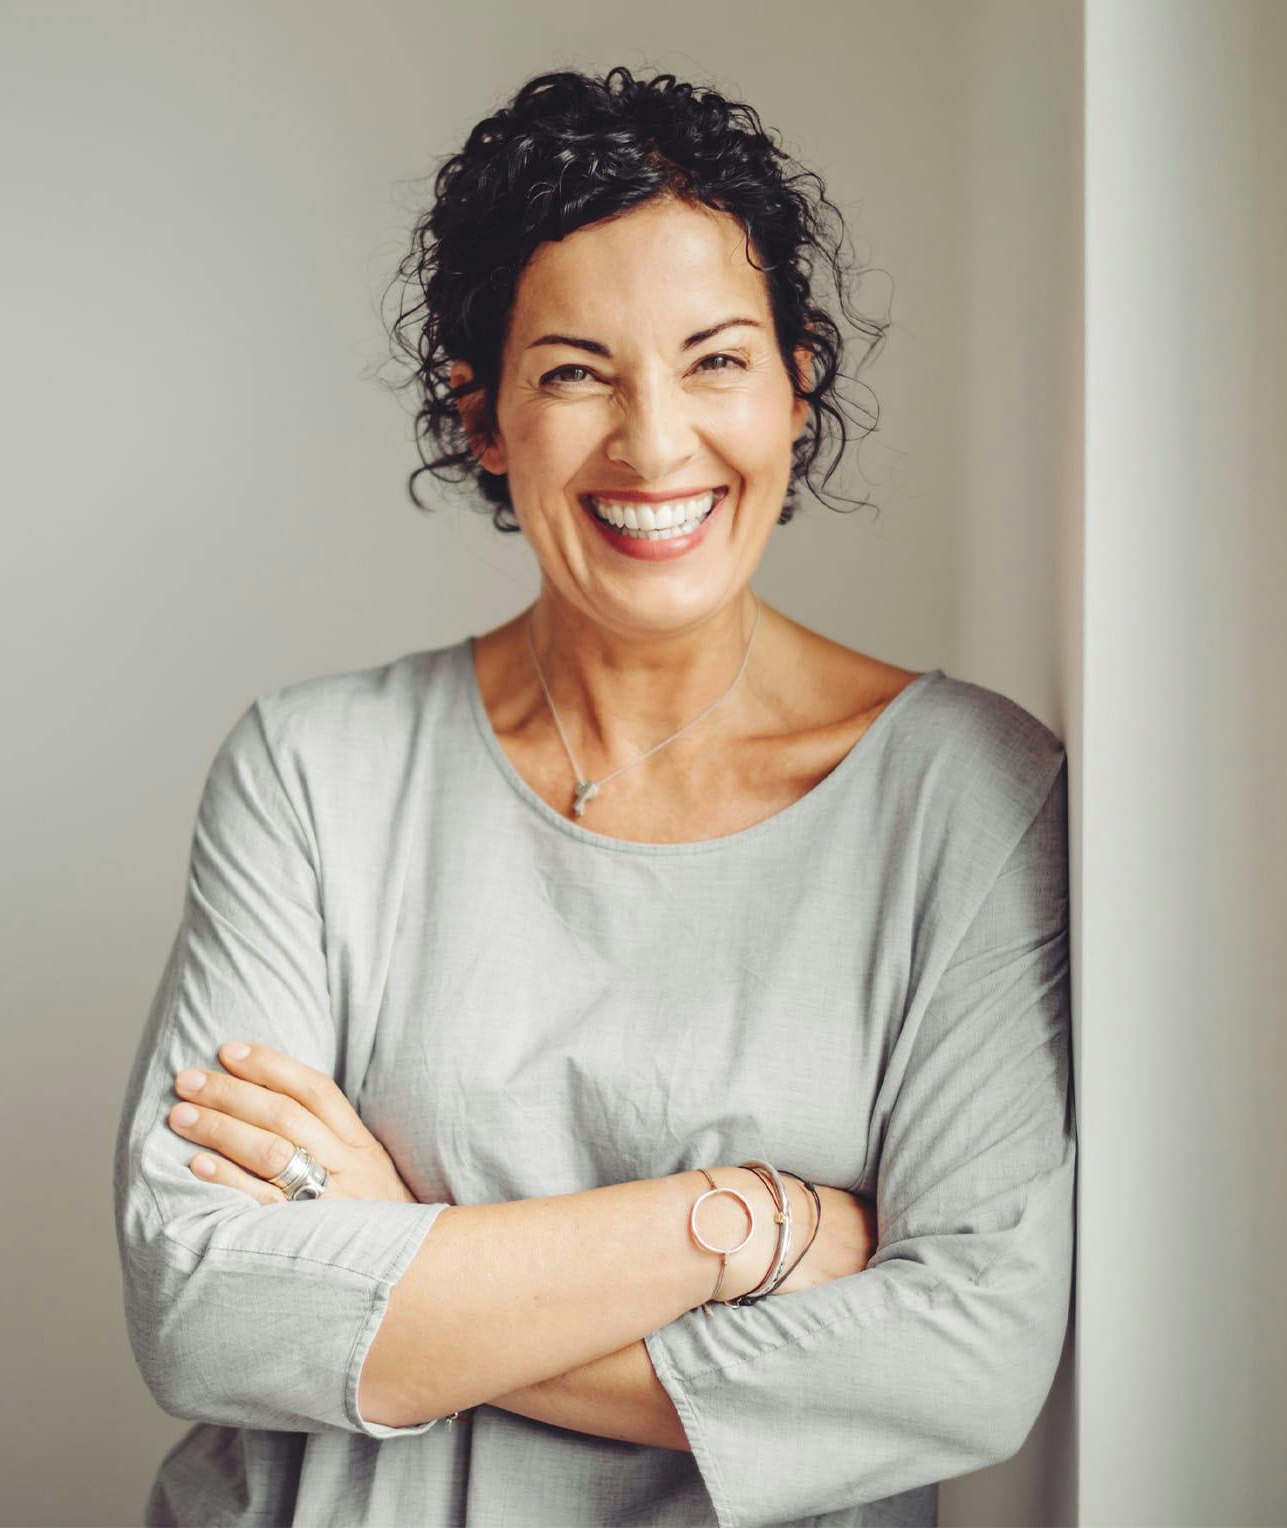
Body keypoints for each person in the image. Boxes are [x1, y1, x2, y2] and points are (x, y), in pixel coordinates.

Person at [112, 64, 1074, 1528]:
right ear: (481, 414)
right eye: (574, 371)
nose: (654, 444)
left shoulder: (964, 795)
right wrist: (747, 1228)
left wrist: (395, 1250)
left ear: (796, 378)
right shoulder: (313, 774)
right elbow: (204, 1305)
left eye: (714, 360)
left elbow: (958, 1368)